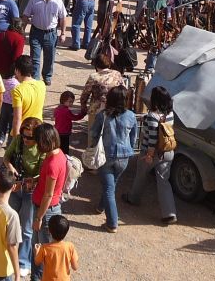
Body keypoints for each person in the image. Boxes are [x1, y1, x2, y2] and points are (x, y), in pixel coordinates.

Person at [123, 85, 177, 224]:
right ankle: (170, 213)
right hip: (167, 152)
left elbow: (152, 139)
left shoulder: (152, 117)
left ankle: (133, 198)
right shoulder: (170, 114)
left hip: (152, 153)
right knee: (164, 182)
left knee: (140, 175)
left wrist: (149, 155)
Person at [89, 86, 137, 233]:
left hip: (106, 156)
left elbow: (94, 133)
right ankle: (101, 207)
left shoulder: (102, 115)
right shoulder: (131, 115)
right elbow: (133, 137)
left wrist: (93, 147)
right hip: (124, 157)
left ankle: (112, 223)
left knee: (109, 189)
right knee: (112, 185)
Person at [4, 117, 44, 277]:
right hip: (15, 187)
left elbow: (42, 173)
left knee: (27, 229)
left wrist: (29, 181)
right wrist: (11, 168)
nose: (26, 139)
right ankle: (7, 255)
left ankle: (23, 261)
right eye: (24, 135)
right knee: (10, 222)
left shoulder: (42, 148)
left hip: (30, 190)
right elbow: (6, 157)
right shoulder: (18, 140)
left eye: (30, 137)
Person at [30, 123, 68, 281]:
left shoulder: (53, 163)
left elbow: (48, 194)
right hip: (45, 209)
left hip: (45, 212)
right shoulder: (59, 155)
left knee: (43, 252)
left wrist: (39, 217)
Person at [22, 0, 67, 86]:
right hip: (36, 33)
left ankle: (47, 76)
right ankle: (36, 78)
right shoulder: (34, 0)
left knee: (49, 57)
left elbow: (63, 18)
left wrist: (63, 33)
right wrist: (22, 31)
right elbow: (25, 16)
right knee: (35, 57)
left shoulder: (58, 1)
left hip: (51, 34)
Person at [79, 55, 123, 146]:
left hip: (96, 109)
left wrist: (83, 106)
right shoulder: (117, 74)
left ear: (96, 65)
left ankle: (92, 153)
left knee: (94, 134)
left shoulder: (94, 77)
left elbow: (85, 94)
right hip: (114, 108)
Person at [33, 215, 78, 281]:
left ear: (49, 231)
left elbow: (37, 262)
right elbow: (75, 267)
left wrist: (36, 252)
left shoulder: (44, 248)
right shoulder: (70, 246)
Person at [11, 55, 46, 137]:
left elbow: (17, 118)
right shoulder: (42, 84)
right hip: (38, 129)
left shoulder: (17, 90)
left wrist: (16, 139)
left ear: (17, 71)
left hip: (24, 131)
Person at [53, 91, 85, 157]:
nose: (71, 104)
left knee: (59, 147)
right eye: (70, 102)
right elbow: (75, 118)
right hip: (65, 133)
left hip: (57, 131)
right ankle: (65, 160)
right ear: (63, 100)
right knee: (65, 149)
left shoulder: (57, 109)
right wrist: (82, 114)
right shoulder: (67, 111)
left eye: (72, 102)